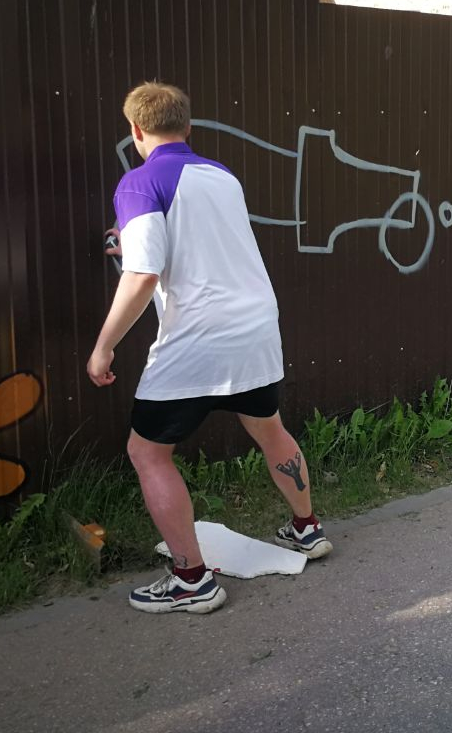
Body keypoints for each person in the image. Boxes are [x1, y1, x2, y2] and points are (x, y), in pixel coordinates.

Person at [87, 81, 331, 615]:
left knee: (147, 451)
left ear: (135, 131)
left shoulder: (138, 182)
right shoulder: (221, 177)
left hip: (198, 338)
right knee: (269, 429)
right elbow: (198, 244)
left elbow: (144, 274)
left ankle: (192, 580)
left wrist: (103, 347)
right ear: (188, 126)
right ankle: (307, 531)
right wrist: (130, 238)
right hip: (256, 329)